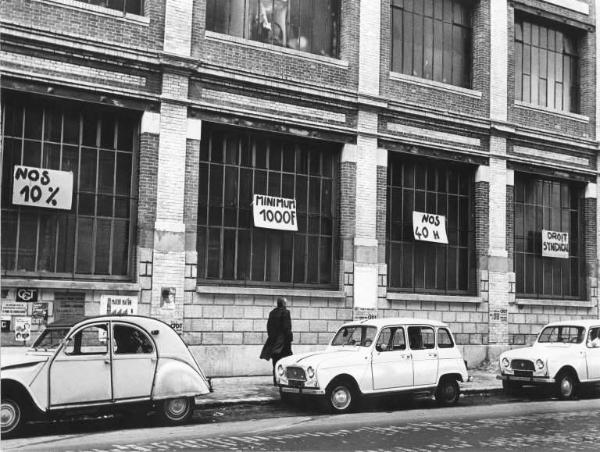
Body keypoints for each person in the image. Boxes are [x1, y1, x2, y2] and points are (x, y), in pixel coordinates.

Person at [260, 296, 293, 385]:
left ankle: (276, 380)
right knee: (286, 362)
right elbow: (287, 328)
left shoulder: (272, 313)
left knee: (275, 362)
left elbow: (268, 327)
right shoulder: (286, 313)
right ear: (283, 304)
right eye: (286, 303)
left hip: (273, 342)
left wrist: (272, 337)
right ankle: (284, 381)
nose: (286, 305)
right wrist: (289, 339)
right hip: (283, 343)